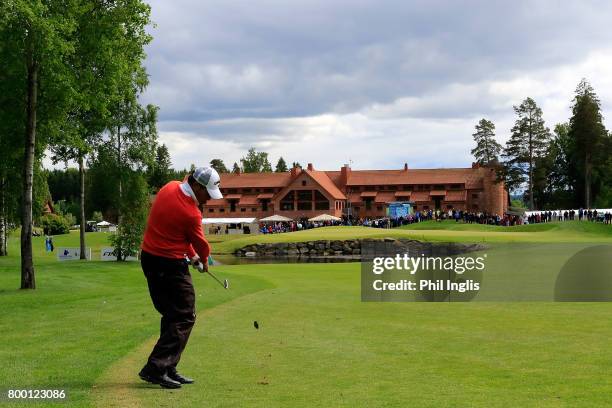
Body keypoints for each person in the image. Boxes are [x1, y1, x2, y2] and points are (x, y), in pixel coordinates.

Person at [138, 166, 223, 389]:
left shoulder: (170, 187)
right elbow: (200, 243)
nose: (207, 200)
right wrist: (204, 260)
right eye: (207, 193)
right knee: (185, 314)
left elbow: (177, 232)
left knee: (172, 315)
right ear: (197, 185)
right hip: (169, 264)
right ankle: (155, 368)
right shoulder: (191, 212)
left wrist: (192, 257)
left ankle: (168, 366)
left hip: (150, 258)